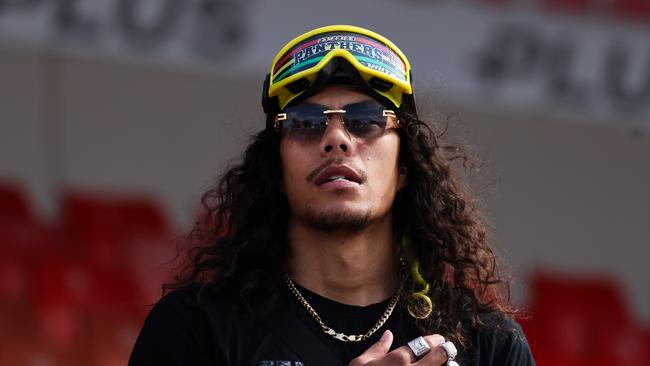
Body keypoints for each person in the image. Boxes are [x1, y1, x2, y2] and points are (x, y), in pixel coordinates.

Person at [128, 25, 536, 366]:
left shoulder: (487, 344)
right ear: (277, 170)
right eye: (306, 123)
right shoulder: (194, 328)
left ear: (406, 166)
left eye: (366, 121)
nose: (336, 138)